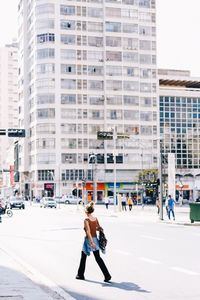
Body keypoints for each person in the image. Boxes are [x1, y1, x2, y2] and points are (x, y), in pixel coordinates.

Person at [76, 201, 111, 282]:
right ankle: (107, 275)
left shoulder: (86, 220)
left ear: (86, 211)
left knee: (83, 257)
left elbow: (88, 232)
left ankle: (80, 275)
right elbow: (98, 228)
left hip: (89, 240)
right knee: (98, 258)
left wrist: (91, 242)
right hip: (95, 239)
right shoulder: (95, 219)